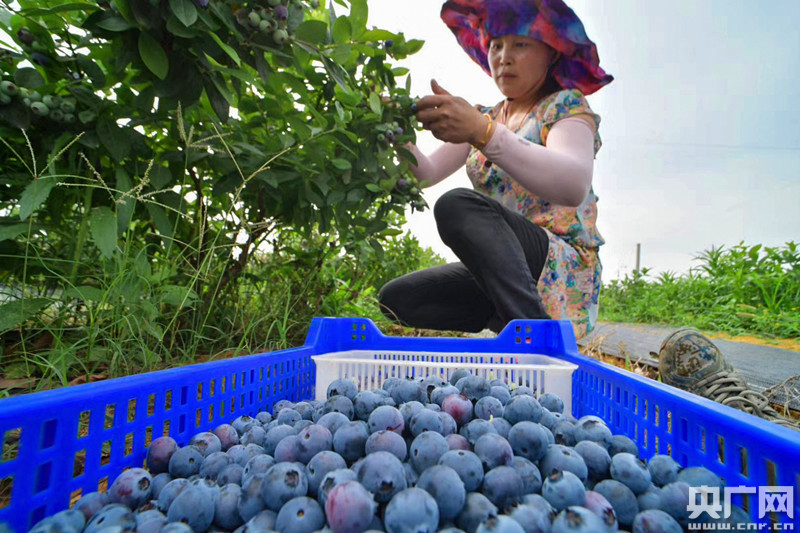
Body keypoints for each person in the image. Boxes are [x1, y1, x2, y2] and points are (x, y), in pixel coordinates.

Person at [378, 0, 613, 339]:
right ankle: (508, 319)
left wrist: (483, 134)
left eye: (520, 44)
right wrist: (394, 129)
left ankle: (537, 336)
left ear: (551, 53)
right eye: (496, 45)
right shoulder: (486, 116)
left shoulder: (564, 107)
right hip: (504, 272)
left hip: (557, 261)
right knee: (397, 299)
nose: (504, 56)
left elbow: (573, 184)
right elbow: (426, 173)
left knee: (457, 205)